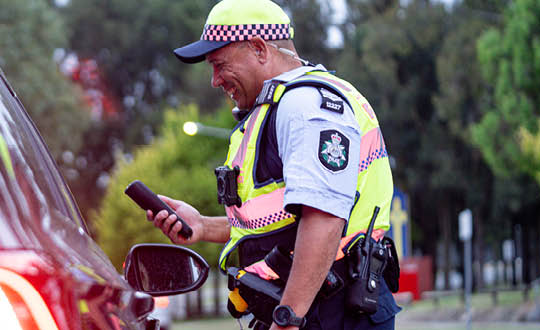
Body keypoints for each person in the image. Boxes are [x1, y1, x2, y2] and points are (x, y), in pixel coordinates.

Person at [147, 0, 400, 329]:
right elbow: (280, 220)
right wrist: (203, 227)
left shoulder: (306, 106)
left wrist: (288, 318)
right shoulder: (280, 106)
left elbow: (323, 218)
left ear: (258, 48)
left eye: (220, 64)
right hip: (320, 306)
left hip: (331, 311)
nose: (215, 80)